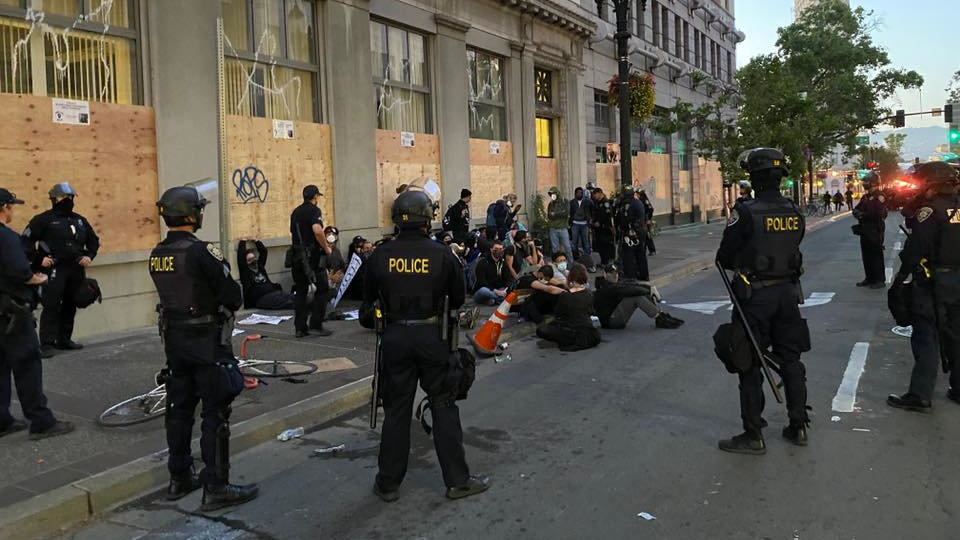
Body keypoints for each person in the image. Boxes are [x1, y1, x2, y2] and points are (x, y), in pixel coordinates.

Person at [365, 188, 489, 502]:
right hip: (434, 337)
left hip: (394, 337)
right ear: (427, 218)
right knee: (444, 406)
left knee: (396, 411)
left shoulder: (380, 254)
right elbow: (459, 297)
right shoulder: (442, 253)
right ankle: (457, 481)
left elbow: (366, 307)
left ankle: (388, 483)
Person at [149, 183, 258, 510]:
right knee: (215, 412)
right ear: (193, 214)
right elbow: (232, 295)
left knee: (179, 411)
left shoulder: (158, 253)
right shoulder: (201, 251)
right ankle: (216, 486)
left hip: (175, 342)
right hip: (207, 343)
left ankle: (179, 477)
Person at [716, 148, 810, 455]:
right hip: (788, 294)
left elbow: (725, 256)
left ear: (753, 178)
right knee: (791, 359)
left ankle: (753, 434)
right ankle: (798, 427)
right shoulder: (794, 210)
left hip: (754, 296)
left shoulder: (745, 212)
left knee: (749, 362)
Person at [0, 188, 74, 441]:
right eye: (10, 206)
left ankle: (2, 420)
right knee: (27, 364)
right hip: (12, 312)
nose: (12, 211)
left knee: (0, 366)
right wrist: (36, 278)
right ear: (3, 208)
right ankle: (41, 421)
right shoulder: (6, 237)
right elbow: (20, 270)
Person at [887, 162, 960, 413]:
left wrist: (901, 279)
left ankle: (920, 394)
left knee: (926, 336)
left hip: (933, 282)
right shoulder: (956, 207)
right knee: (955, 335)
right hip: (957, 281)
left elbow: (915, 249)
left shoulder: (929, 212)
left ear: (931, 184)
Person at [22, 183, 100, 356]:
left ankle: (64, 339)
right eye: (65, 198)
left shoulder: (79, 220)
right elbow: (25, 241)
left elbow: (94, 240)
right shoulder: (43, 220)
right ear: (54, 199)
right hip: (55, 269)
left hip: (76, 268)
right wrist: (38, 259)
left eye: (71, 198)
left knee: (71, 303)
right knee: (51, 304)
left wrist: (89, 255)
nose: (69, 201)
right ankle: (47, 343)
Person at [289, 185, 334, 338]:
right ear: (315, 197)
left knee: (300, 291)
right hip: (311, 257)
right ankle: (316, 323)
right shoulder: (314, 211)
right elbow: (317, 230)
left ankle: (300, 328)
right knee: (322, 289)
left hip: (296, 257)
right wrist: (326, 248)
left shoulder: (295, 212)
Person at [593, 265, 683, 330]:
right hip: (611, 321)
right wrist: (649, 290)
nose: (615, 276)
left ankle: (660, 314)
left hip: (614, 315)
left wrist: (649, 288)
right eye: (612, 274)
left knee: (639, 292)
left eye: (616, 273)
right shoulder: (606, 287)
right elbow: (629, 290)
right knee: (636, 296)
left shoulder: (613, 283)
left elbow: (631, 283)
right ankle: (659, 318)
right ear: (605, 275)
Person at [535, 263, 600, 352]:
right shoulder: (589, 293)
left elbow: (558, 313)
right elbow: (590, 311)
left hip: (572, 331)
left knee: (542, 330)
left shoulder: (565, 296)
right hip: (589, 333)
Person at [852, 172, 887, 289]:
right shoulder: (865, 197)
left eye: (866, 182)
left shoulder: (879, 196)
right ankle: (869, 278)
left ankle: (879, 280)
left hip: (875, 229)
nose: (864, 184)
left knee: (876, 254)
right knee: (866, 254)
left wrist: (863, 215)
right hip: (865, 229)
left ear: (873, 182)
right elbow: (856, 209)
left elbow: (877, 213)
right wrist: (861, 214)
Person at [236, 239, 294, 310]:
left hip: (273, 292)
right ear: (246, 262)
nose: (253, 261)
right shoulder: (245, 271)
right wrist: (243, 241)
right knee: (286, 303)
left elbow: (264, 252)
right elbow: (241, 257)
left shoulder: (260, 267)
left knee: (293, 297)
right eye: (249, 260)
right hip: (261, 297)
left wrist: (256, 241)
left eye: (253, 258)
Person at [616, 186, 649, 281]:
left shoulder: (629, 204)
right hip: (639, 232)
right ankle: (643, 275)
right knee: (640, 254)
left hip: (631, 233)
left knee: (629, 255)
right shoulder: (637, 202)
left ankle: (631, 275)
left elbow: (626, 219)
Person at [472, 241, 512, 305]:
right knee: (484, 291)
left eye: (501, 249)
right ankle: (501, 300)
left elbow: (507, 279)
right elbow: (481, 282)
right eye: (496, 249)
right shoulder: (483, 262)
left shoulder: (503, 262)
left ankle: (492, 301)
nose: (499, 251)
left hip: (499, 289)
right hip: (485, 290)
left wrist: (505, 289)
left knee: (510, 290)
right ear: (491, 249)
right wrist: (495, 291)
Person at [545, 187, 571, 261]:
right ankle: (556, 263)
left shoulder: (565, 201)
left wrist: (555, 214)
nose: (552, 195)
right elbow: (549, 216)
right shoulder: (551, 204)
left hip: (563, 228)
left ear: (557, 193)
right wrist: (558, 214)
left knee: (567, 247)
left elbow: (566, 213)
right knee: (555, 248)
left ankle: (570, 262)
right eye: (550, 194)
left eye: (553, 193)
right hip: (553, 228)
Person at [591, 188, 616, 265]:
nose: (594, 196)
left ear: (599, 193)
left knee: (605, 244)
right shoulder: (597, 202)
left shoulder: (605, 202)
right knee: (600, 245)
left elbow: (608, 215)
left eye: (595, 194)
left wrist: (600, 222)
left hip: (605, 227)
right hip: (598, 227)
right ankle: (603, 260)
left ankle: (606, 261)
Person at [569, 187, 594, 258]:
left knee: (586, 240)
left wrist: (590, 219)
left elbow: (592, 210)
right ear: (575, 194)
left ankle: (587, 256)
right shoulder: (572, 202)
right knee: (574, 241)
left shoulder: (588, 201)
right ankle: (575, 256)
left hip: (585, 224)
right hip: (575, 223)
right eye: (577, 193)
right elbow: (570, 213)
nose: (579, 194)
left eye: (580, 193)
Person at [637, 188, 657, 256]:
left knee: (647, 235)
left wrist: (648, 219)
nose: (636, 195)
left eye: (637, 193)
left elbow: (650, 209)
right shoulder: (644, 199)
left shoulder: (643, 200)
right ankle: (646, 250)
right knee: (645, 236)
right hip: (644, 220)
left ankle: (651, 250)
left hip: (645, 220)